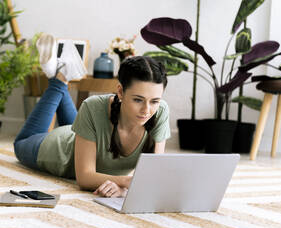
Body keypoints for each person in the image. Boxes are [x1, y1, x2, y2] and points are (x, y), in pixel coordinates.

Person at [14, 34, 170, 198]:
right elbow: (85, 177)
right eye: (138, 100)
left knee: (89, 120)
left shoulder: (160, 112)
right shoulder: (93, 106)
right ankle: (58, 80)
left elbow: (153, 175)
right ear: (120, 91)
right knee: (20, 144)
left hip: (85, 139)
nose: (146, 110)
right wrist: (124, 182)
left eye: (154, 101)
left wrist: (122, 190)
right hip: (58, 149)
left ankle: (61, 72)